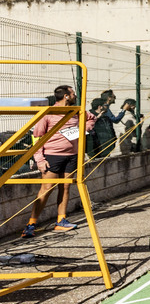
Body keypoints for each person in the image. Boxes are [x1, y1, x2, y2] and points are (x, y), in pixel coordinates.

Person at [21, 84, 94, 237]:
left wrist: (85, 128)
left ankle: (61, 220)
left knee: (66, 187)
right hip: (52, 156)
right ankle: (31, 223)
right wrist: (40, 160)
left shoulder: (76, 111)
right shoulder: (49, 113)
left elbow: (91, 118)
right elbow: (37, 136)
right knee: (46, 189)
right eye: (73, 93)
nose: (75, 95)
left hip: (72, 156)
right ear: (66, 96)